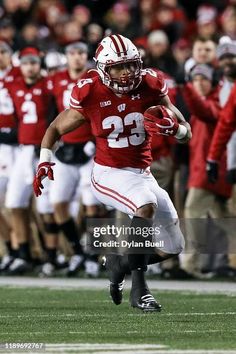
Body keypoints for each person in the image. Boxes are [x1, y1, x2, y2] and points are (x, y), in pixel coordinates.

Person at [33, 34, 191, 312]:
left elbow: (185, 129)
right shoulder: (90, 91)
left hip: (143, 173)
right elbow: (56, 127)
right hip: (108, 172)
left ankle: (119, 262)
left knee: (174, 246)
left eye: (131, 64)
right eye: (119, 67)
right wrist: (45, 160)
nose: (127, 72)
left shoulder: (151, 84)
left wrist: (174, 130)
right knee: (145, 205)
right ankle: (140, 292)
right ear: (104, 69)